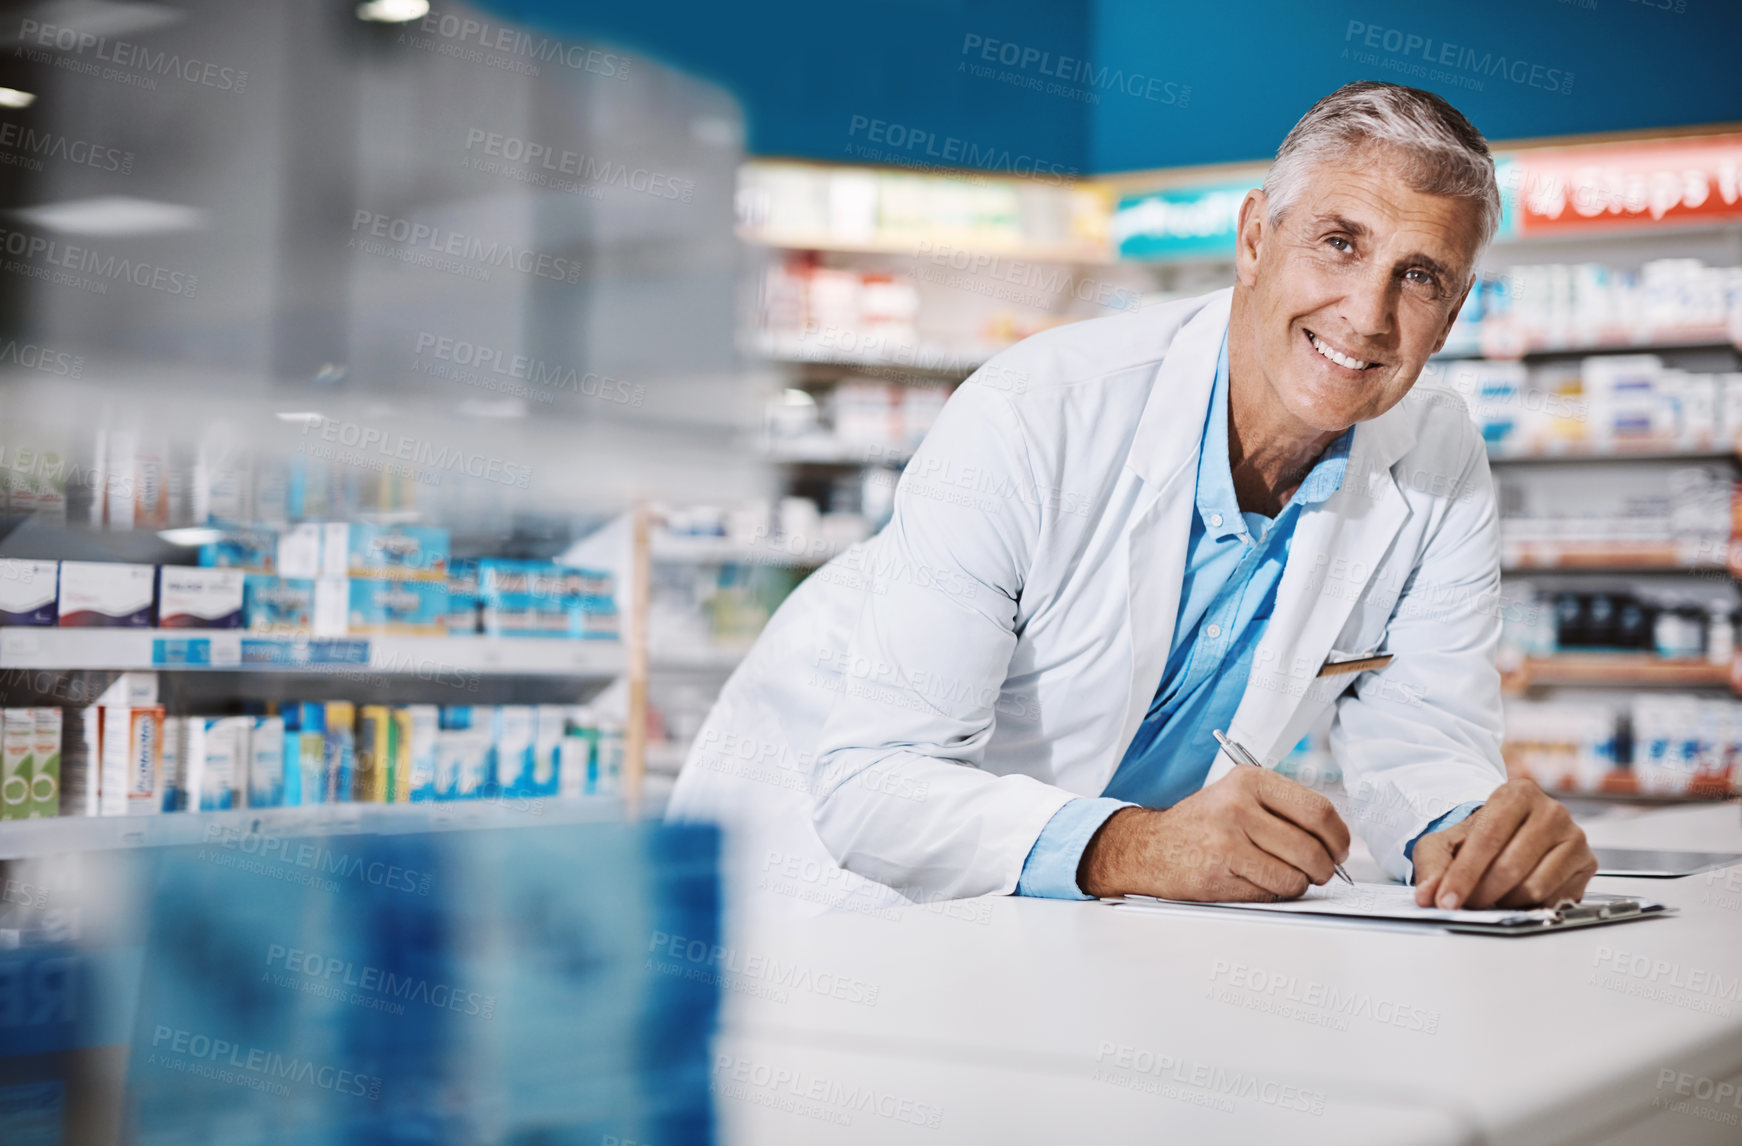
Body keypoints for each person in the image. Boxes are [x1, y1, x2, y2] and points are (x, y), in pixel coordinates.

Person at [669, 81, 1597, 916]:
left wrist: (1471, 840)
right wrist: (1138, 844)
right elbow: (875, 786)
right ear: (1254, 239)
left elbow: (1423, 743)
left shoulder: (1436, 454)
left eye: (1420, 276)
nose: (1367, 313)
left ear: (1458, 306)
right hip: (818, 871)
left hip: (1076, 909)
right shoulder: (1034, 412)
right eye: (1339, 243)